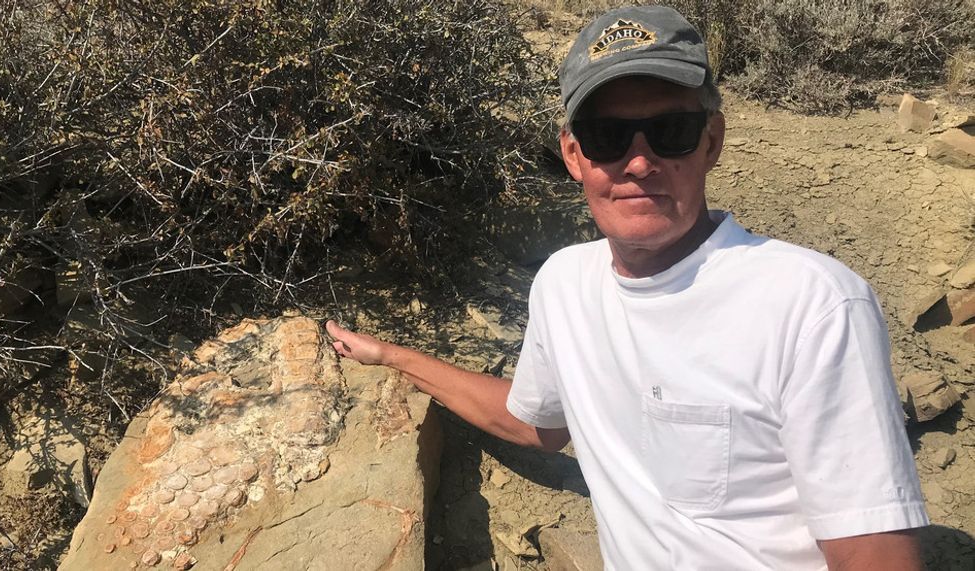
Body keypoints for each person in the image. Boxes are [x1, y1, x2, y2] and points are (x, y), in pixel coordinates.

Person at [326, 5, 929, 569]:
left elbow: (875, 555)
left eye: (671, 132)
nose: (638, 163)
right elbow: (537, 425)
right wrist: (392, 357)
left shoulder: (813, 304)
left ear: (712, 143)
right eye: (607, 139)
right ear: (573, 154)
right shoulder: (564, 282)